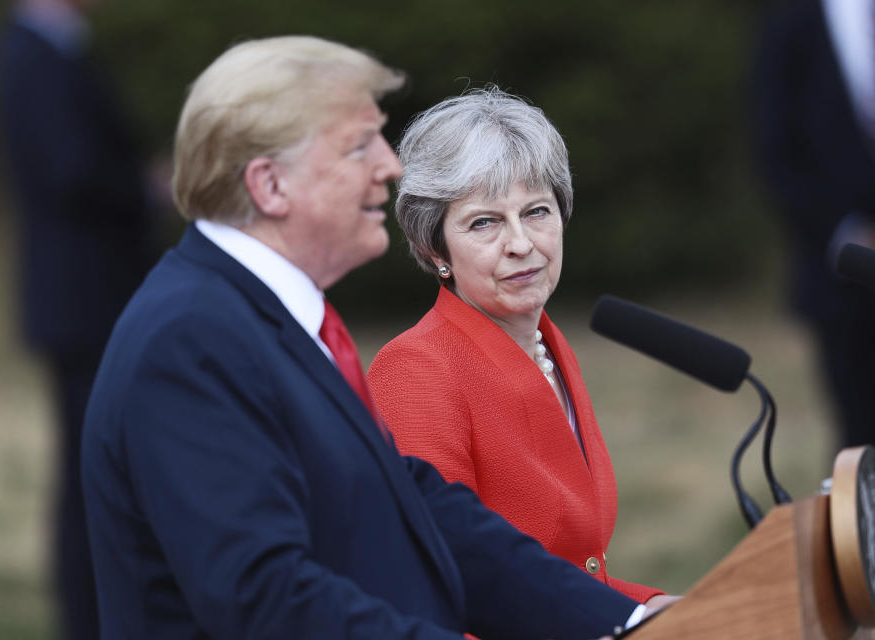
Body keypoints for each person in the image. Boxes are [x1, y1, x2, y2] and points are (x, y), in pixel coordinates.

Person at [80, 36, 670, 638]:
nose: (390, 167)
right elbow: (265, 598)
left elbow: (428, 517)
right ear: (270, 185)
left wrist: (632, 617)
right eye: (359, 147)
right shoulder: (191, 339)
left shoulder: (265, 316)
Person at [366, 87, 668, 607]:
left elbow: (573, 570)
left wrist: (656, 608)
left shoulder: (549, 345)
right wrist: (629, 620)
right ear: (433, 248)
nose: (521, 243)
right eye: (484, 222)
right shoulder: (415, 370)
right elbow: (441, 574)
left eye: (536, 212)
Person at [0, 0, 157, 637]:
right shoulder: (36, 53)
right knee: (93, 474)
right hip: (84, 300)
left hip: (81, 298)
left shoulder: (50, 48)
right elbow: (72, 172)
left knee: (97, 468)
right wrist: (145, 189)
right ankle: (88, 619)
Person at [751, 0, 875, 463]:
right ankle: (871, 535)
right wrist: (865, 241)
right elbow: (776, 154)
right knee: (867, 445)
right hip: (846, 279)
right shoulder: (792, 27)